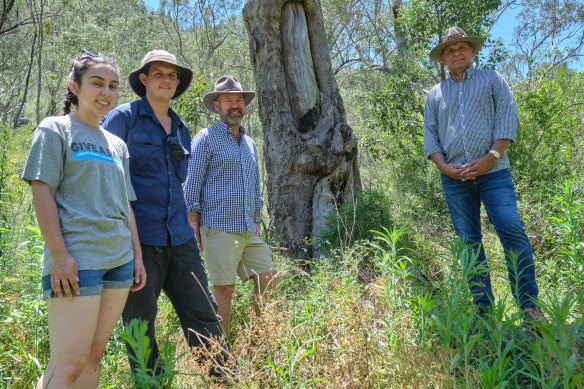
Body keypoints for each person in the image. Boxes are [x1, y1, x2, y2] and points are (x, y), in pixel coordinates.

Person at [22, 49, 146, 389]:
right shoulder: (56, 129)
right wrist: (59, 256)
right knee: (68, 364)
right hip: (77, 260)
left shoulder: (118, 145)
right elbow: (42, 191)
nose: (106, 92)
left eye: (113, 86)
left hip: (118, 261)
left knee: (94, 354)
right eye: (97, 83)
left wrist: (137, 256)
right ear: (74, 87)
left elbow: (126, 204)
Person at [101, 50, 222, 372]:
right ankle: (150, 382)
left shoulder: (181, 127)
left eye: (171, 75)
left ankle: (224, 380)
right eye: (158, 74)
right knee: (140, 325)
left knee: (204, 313)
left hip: (180, 239)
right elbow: (106, 180)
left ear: (177, 82)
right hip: (139, 242)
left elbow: (181, 186)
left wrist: (192, 228)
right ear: (144, 80)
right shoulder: (122, 118)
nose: (166, 79)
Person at [423, 27, 545, 322]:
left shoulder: (492, 79)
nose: (456, 53)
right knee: (468, 242)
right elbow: (431, 135)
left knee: (511, 229)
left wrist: (490, 158)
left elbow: (508, 118)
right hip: (455, 180)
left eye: (462, 47)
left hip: (495, 174)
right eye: (449, 51)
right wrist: (443, 166)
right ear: (443, 59)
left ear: (472, 52)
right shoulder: (436, 94)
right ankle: (484, 311)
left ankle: (529, 306)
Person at [184, 76, 278, 338]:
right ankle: (222, 355)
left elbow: (255, 182)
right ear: (217, 106)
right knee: (224, 289)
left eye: (239, 101)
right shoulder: (206, 138)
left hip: (248, 227)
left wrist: (257, 218)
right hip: (218, 226)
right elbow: (192, 182)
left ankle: (257, 343)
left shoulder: (249, 142)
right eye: (229, 101)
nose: (235, 105)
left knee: (267, 278)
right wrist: (193, 222)